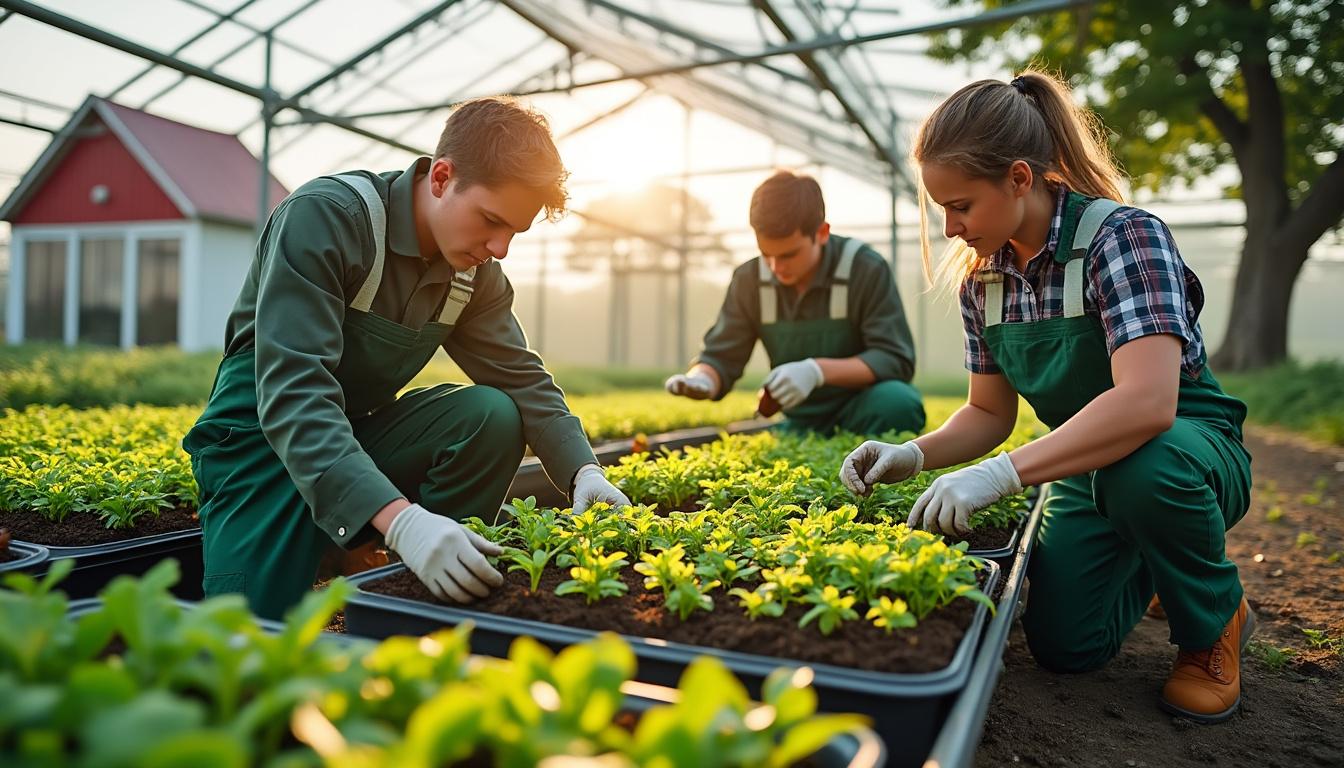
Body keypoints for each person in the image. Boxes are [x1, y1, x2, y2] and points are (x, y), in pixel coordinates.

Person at [841, 71, 1254, 723]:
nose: (950, 228)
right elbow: (987, 413)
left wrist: (1001, 475)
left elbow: (1148, 404)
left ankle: (1212, 623)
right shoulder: (983, 282)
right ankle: (1156, 558)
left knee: (1145, 472)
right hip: (1085, 465)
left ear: (1019, 179)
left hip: (1186, 450)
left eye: (961, 205)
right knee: (1068, 647)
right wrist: (912, 454)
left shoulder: (1123, 239)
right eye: (940, 208)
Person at [182, 97, 630, 620]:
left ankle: (409, 589)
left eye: (514, 231)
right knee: (253, 635)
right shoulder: (329, 219)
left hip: (355, 442)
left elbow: (521, 377)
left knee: (491, 415)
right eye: (491, 220)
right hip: (261, 450)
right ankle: (365, 539)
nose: (501, 247)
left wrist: (584, 473)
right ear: (441, 177)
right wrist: (401, 520)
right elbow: (293, 394)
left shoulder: (474, 272)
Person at [665, 170, 925, 435]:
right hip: (798, 420)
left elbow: (894, 358)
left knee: (899, 403)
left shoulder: (864, 269)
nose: (776, 267)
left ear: (822, 233)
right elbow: (722, 354)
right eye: (766, 254)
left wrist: (817, 371)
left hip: (861, 409)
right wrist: (704, 379)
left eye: (789, 254)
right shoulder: (749, 280)